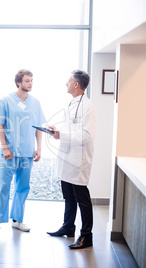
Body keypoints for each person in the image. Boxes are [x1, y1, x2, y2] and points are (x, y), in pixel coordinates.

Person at [0, 69, 45, 237]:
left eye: (32, 81)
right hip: (9, 153)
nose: (30, 84)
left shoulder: (35, 103)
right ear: (18, 82)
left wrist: (39, 147)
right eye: (27, 81)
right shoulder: (5, 101)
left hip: (27, 152)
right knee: (2, 187)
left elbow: (38, 127)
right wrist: (4, 147)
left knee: (23, 187)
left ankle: (17, 220)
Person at [46, 70, 96, 250]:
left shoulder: (87, 106)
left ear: (76, 85)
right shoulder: (71, 103)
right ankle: (68, 227)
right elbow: (71, 128)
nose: (65, 84)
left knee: (82, 198)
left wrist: (63, 135)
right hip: (68, 156)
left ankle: (86, 236)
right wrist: (57, 130)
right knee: (68, 195)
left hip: (79, 159)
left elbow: (85, 135)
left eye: (68, 82)